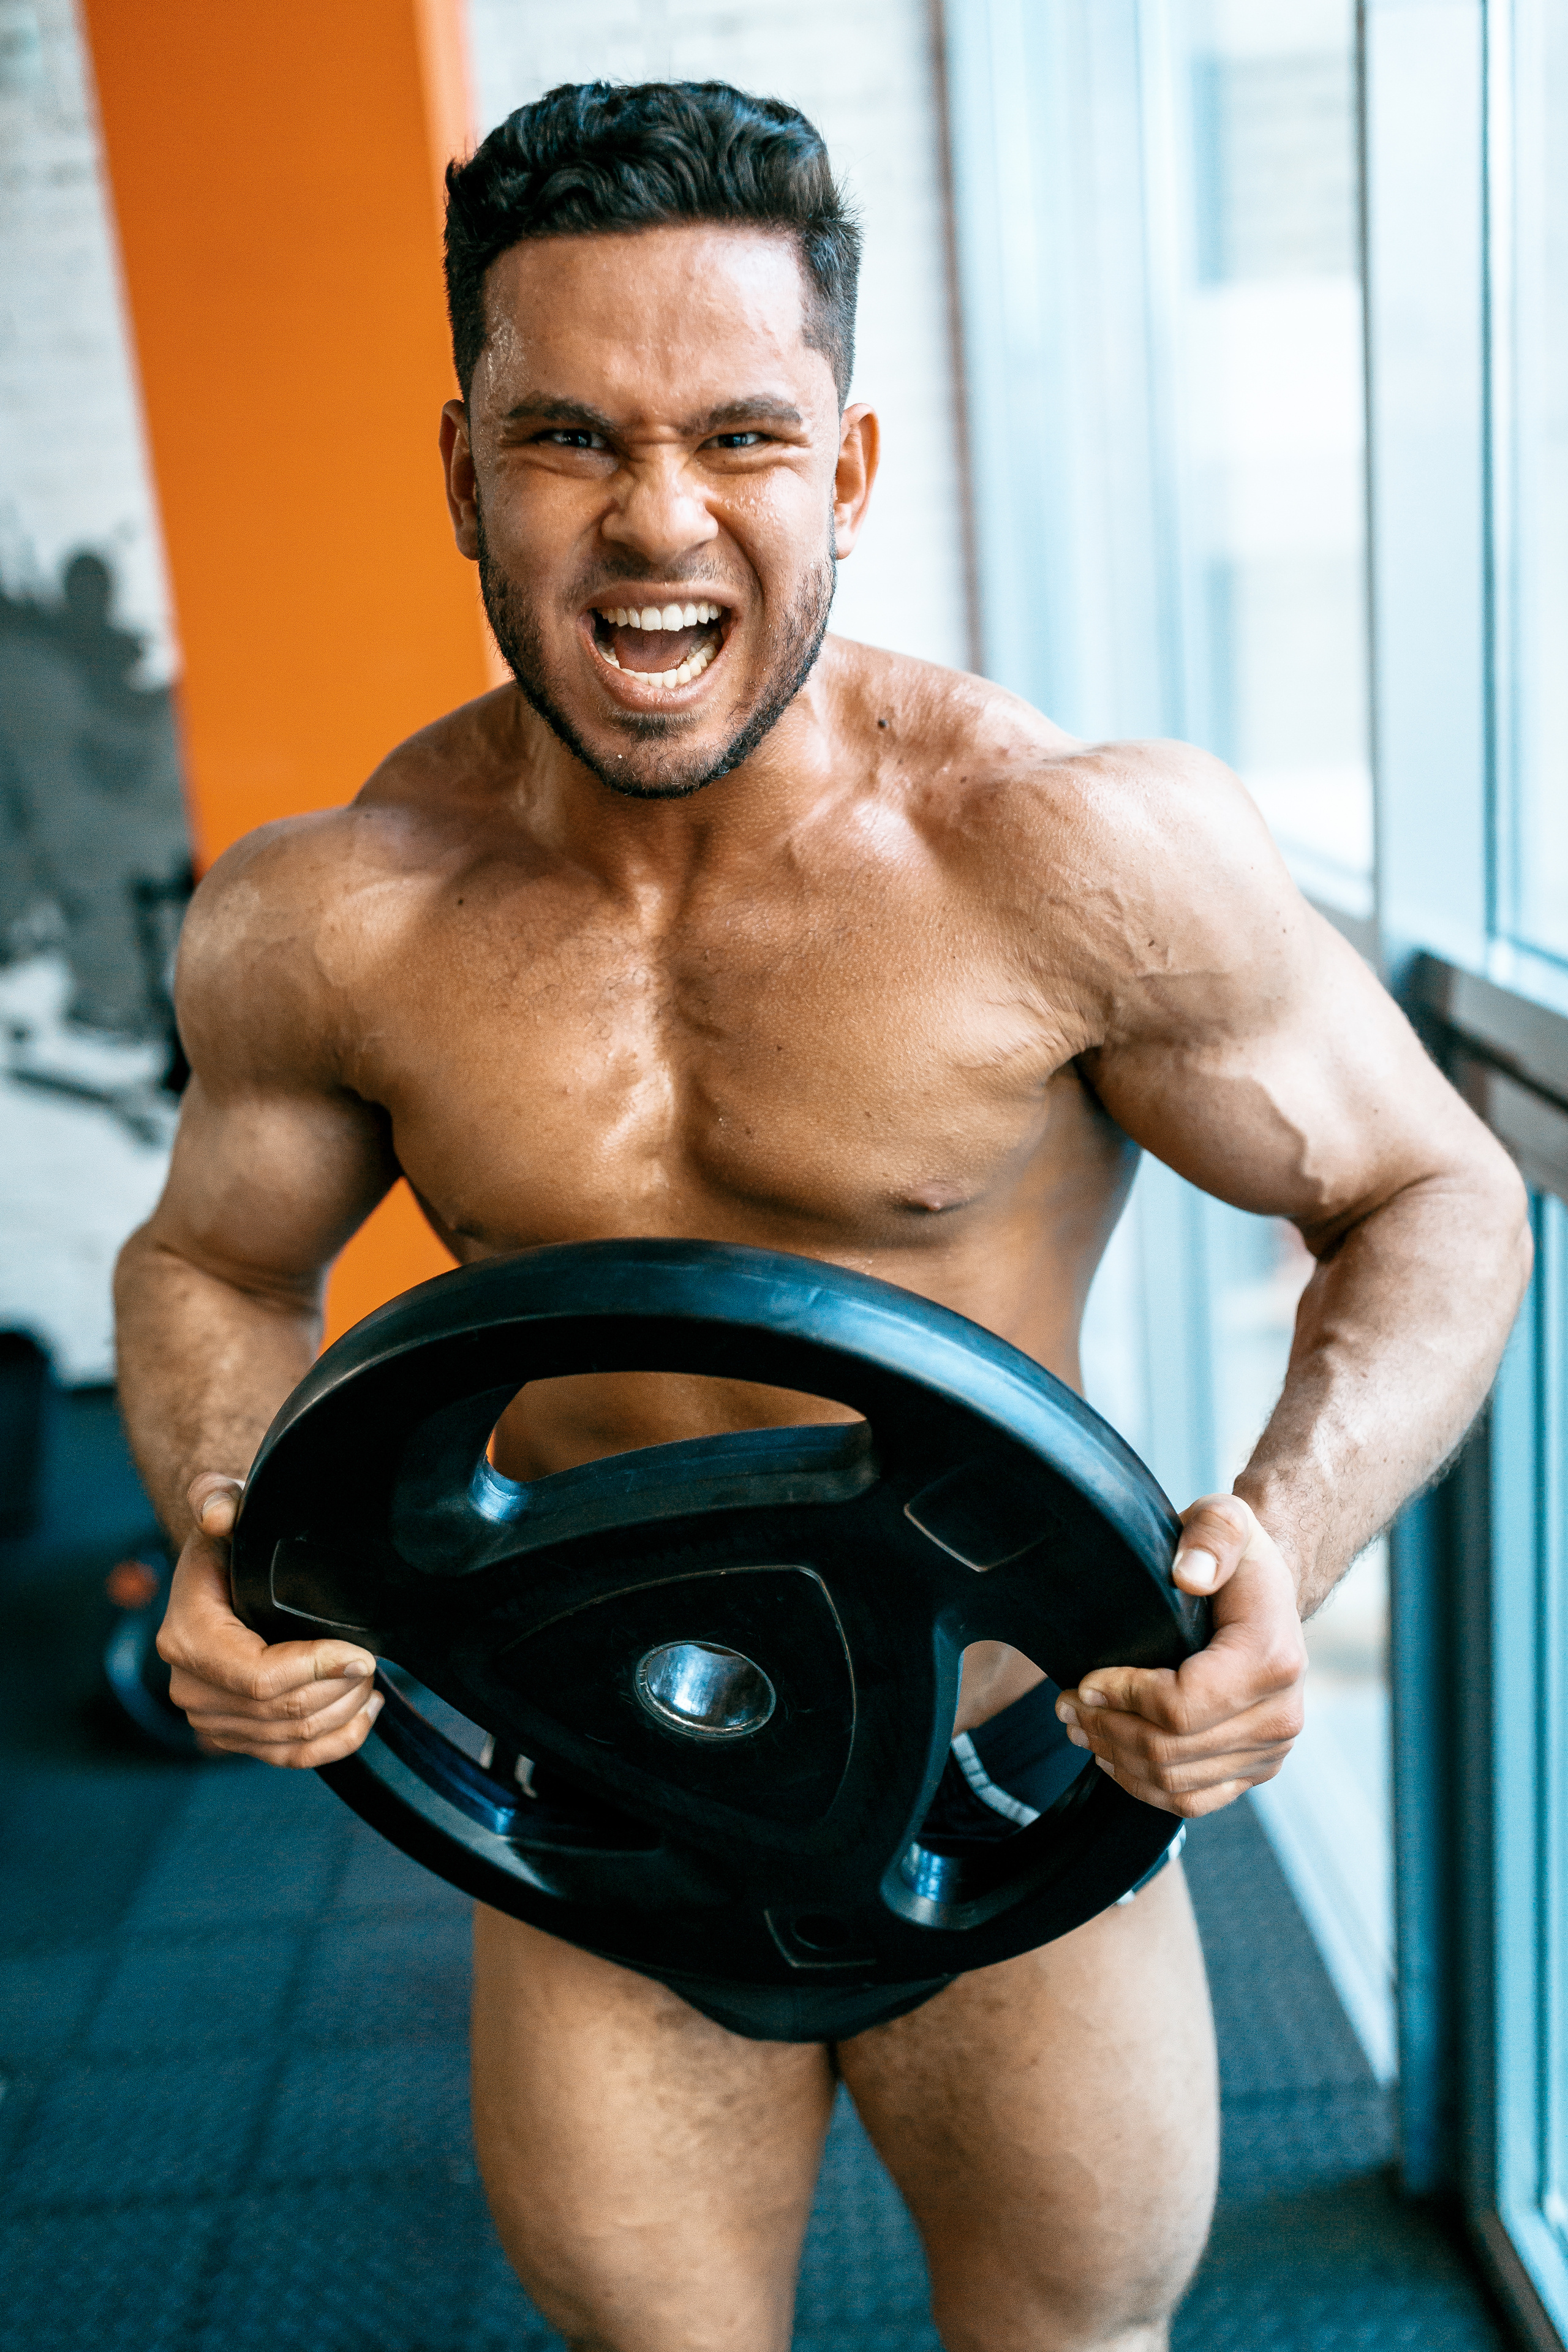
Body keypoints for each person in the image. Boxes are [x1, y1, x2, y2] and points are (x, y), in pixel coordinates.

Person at [115, 80, 1529, 2352]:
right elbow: (210, 1262)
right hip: (595, 1786)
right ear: (462, 471)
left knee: (1075, 2332)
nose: (656, 522)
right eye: (566, 438)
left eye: (742, 437)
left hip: (1021, 1767)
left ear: (848, 470)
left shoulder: (1061, 854)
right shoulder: (338, 919)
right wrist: (218, 1516)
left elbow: (1430, 1189)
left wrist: (1290, 1540)